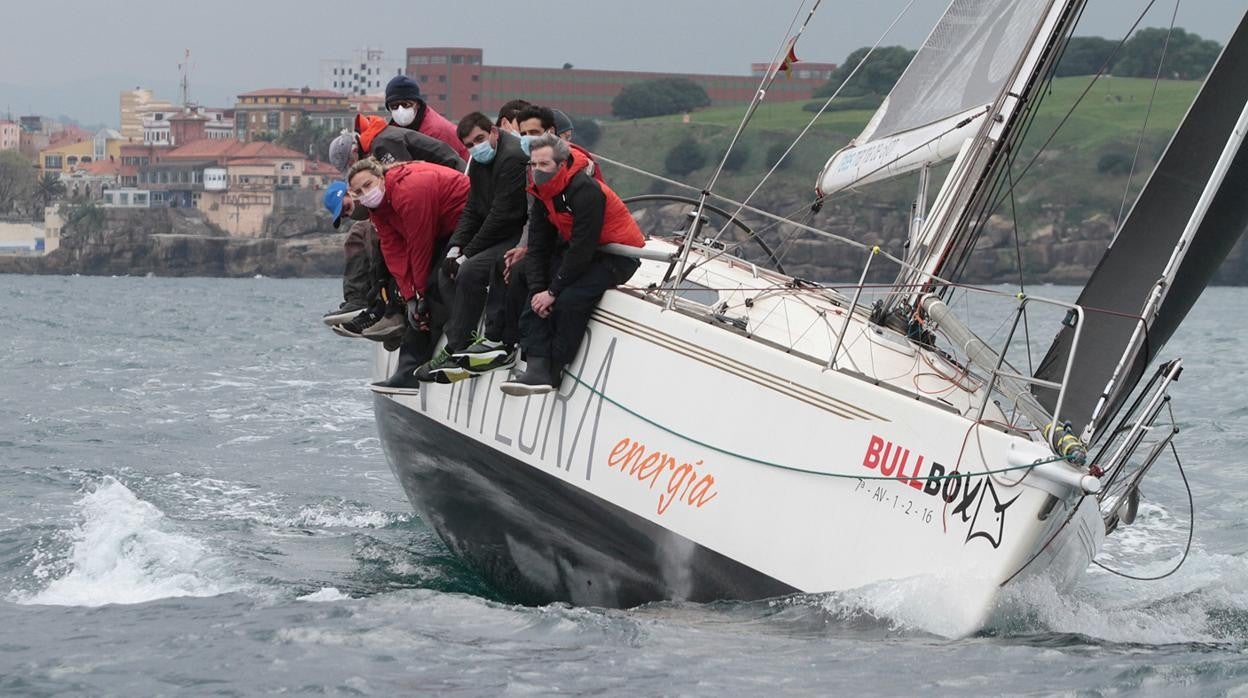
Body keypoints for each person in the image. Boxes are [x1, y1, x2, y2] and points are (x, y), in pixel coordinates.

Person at [500, 134, 644, 396]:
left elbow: (583, 246)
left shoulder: (584, 190)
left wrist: (553, 292)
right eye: (533, 165)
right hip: (582, 251)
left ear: (562, 164)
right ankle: (535, 363)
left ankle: (554, 366)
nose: (537, 171)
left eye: (544, 165)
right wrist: (539, 289)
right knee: (532, 284)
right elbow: (539, 244)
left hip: (616, 256)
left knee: (569, 300)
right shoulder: (542, 192)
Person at [415, 112, 529, 383]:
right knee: (446, 269)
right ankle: (461, 337)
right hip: (495, 230)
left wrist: (469, 253)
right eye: (468, 144)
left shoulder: (511, 157)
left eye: (479, 138)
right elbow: (472, 210)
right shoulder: (478, 161)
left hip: (515, 231)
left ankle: (465, 346)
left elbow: (502, 215)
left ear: (494, 132)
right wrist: (456, 247)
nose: (475, 146)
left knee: (471, 271)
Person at [347, 157, 470, 393]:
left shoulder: (409, 191)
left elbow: (419, 244)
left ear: (381, 178)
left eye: (368, 185)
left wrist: (420, 294)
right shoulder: (378, 208)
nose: (366, 193)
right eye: (359, 191)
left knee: (434, 287)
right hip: (440, 227)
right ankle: (407, 370)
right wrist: (409, 296)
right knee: (411, 294)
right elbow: (393, 249)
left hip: (465, 219)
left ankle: (453, 349)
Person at [383, 75, 469, 161]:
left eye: (406, 104)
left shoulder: (437, 132)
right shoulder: (392, 131)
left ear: (418, 104)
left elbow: (449, 166)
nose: (400, 110)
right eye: (394, 106)